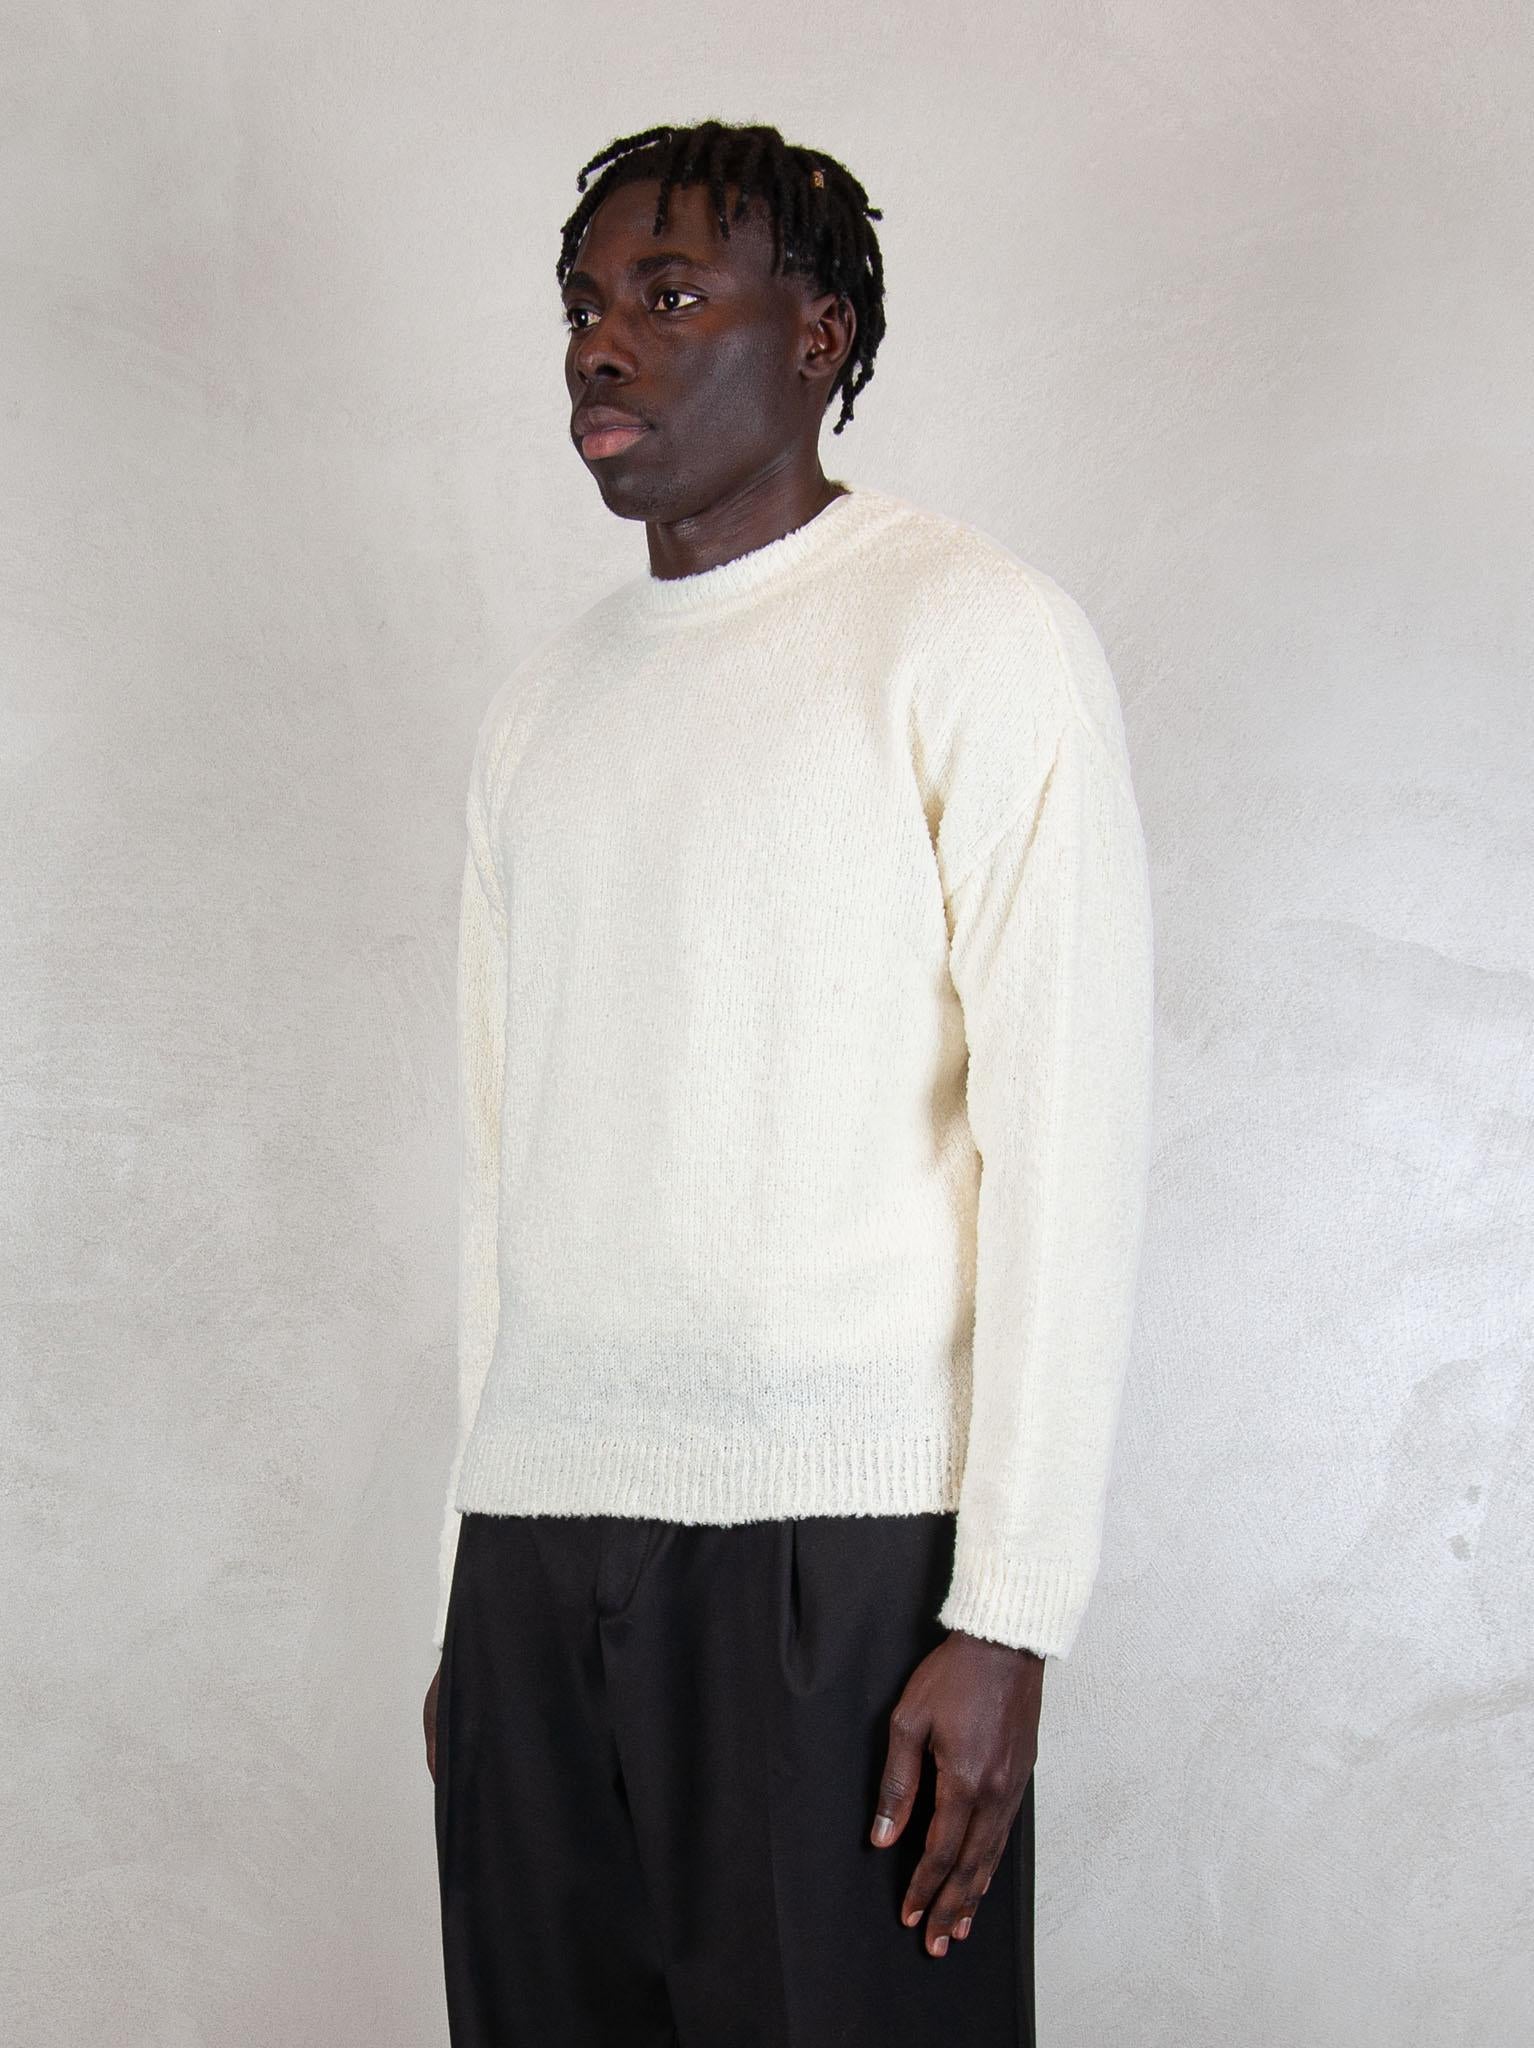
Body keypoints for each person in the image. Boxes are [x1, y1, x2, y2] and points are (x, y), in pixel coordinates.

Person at [422, 118, 1155, 2047]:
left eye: (670, 297)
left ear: (817, 337)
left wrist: (1006, 1616)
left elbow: (1066, 1146)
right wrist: (462, 1594)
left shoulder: (970, 634)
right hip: (534, 1554)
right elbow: (500, 1172)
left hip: (841, 1559)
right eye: (584, 305)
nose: (602, 344)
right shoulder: (541, 707)